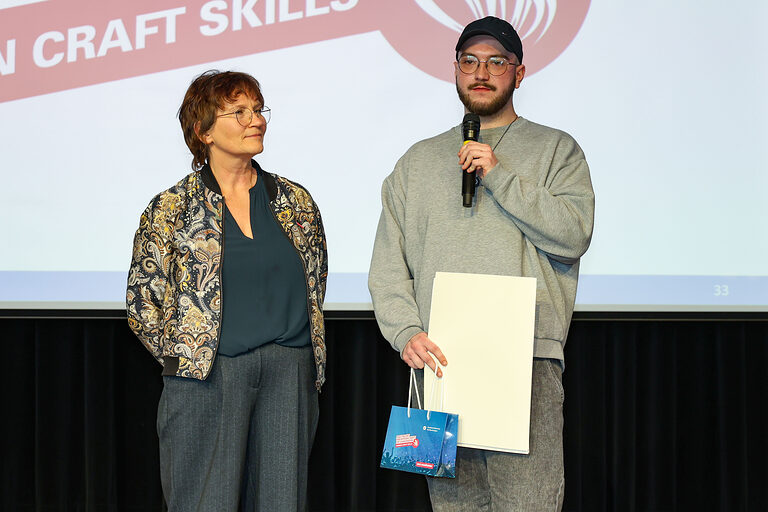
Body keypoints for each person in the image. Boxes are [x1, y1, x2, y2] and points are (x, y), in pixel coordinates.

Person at [368, 16, 594, 511]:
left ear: (520, 72)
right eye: (470, 61)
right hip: (442, 364)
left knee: (527, 504)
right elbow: (388, 264)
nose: (482, 72)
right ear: (455, 70)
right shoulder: (417, 161)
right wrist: (406, 331)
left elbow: (573, 234)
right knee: (455, 507)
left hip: (526, 359)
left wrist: (499, 174)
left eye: (497, 62)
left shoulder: (557, 150)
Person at [126, 70, 327, 512]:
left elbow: (315, 279)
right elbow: (144, 303)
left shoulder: (296, 202)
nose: (256, 120)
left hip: (287, 373)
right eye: (240, 112)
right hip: (208, 378)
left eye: (258, 109)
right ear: (203, 131)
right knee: (204, 503)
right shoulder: (171, 209)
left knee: (282, 503)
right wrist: (190, 353)